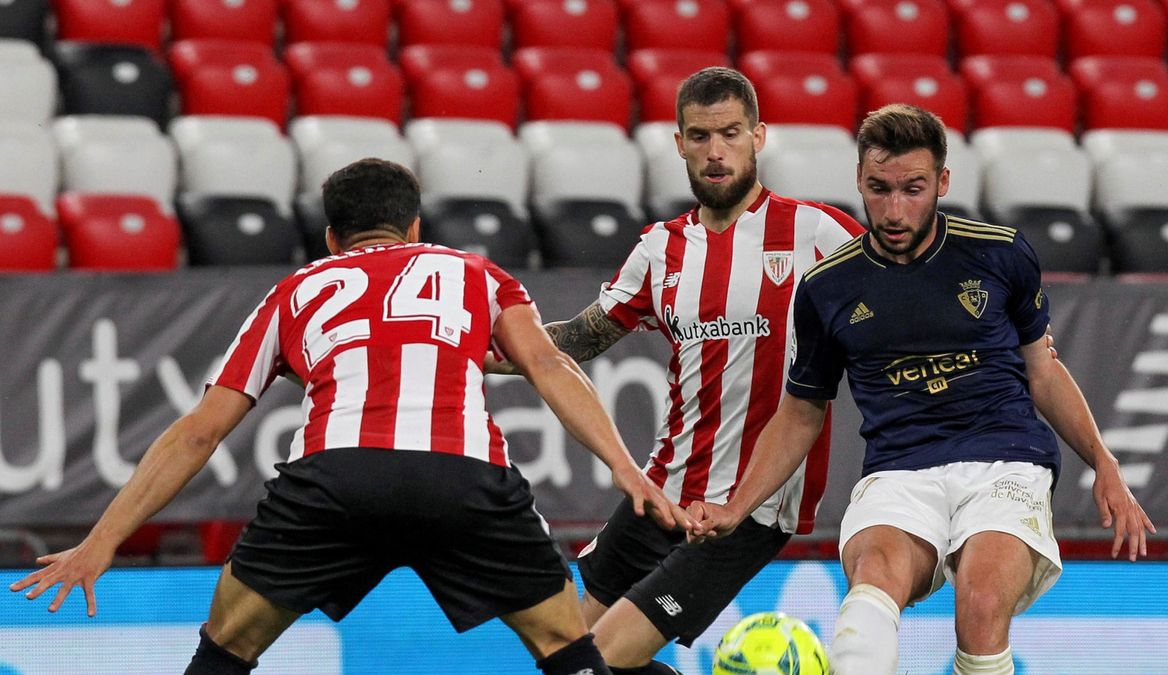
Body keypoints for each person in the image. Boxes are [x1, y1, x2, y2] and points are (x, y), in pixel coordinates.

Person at [8, 158, 693, 675]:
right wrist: (624, 467)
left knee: (226, 644)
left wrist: (102, 542)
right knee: (567, 642)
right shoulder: (475, 273)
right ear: (416, 227)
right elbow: (548, 365)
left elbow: (199, 430)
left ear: (333, 236)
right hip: (464, 478)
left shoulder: (296, 289)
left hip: (334, 480)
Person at [686, 104, 1157, 675]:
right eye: (879, 189)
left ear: (942, 182)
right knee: (867, 598)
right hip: (900, 470)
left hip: (1005, 460)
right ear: (859, 179)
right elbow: (801, 412)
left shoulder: (999, 253)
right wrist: (737, 507)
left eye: (913, 189)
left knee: (980, 606)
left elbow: (1044, 372)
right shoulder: (826, 288)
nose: (893, 209)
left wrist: (1103, 462)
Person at [489, 67, 863, 674]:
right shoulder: (660, 248)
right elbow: (576, 339)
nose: (715, 153)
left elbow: (895, 297)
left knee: (600, 660)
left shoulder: (815, 232)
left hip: (748, 507)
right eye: (699, 137)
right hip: (662, 493)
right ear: (678, 142)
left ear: (759, 136)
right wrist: (467, 349)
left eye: (731, 134)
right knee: (565, 657)